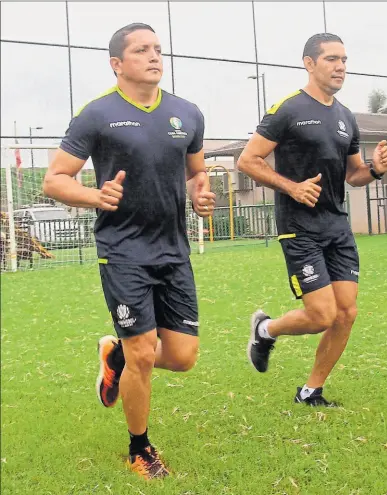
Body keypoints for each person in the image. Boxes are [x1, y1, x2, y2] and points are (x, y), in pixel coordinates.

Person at [43, 23, 215, 480]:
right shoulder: (97, 115)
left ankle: (114, 356)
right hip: (122, 250)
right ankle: (140, 448)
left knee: (181, 357)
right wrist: (94, 196)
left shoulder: (187, 113)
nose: (154, 56)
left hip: (173, 250)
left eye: (158, 49)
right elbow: (55, 178)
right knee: (145, 353)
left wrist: (200, 196)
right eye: (141, 50)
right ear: (117, 64)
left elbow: (197, 173)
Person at [237, 33, 387, 407]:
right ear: (309, 63)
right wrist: (291, 187)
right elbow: (247, 161)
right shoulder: (287, 110)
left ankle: (311, 391)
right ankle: (266, 329)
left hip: (336, 226)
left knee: (346, 313)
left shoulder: (345, 117)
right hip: (300, 227)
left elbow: (353, 174)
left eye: (344, 59)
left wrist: (376, 169)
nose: (340, 66)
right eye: (331, 59)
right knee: (322, 314)